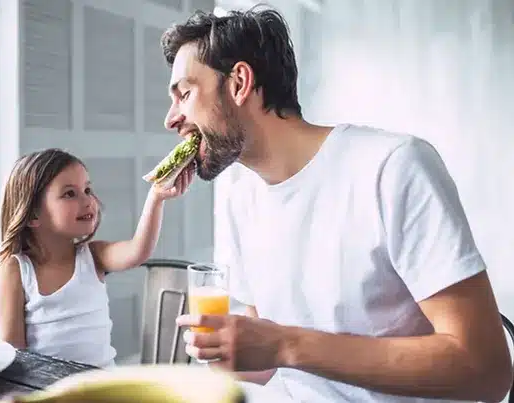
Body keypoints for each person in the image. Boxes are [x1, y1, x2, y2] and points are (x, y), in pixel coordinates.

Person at [161, 6, 513, 403]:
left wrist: (284, 344)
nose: (171, 119)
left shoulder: (392, 167)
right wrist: (230, 349)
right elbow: (270, 356)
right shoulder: (239, 197)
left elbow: (486, 369)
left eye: (184, 94)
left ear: (239, 82)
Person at [0, 148, 193, 369]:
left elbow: (138, 251)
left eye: (87, 189)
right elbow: (13, 352)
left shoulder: (94, 256)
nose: (87, 201)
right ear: (33, 215)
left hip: (102, 386)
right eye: (70, 193)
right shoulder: (16, 269)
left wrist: (155, 198)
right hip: (47, 391)